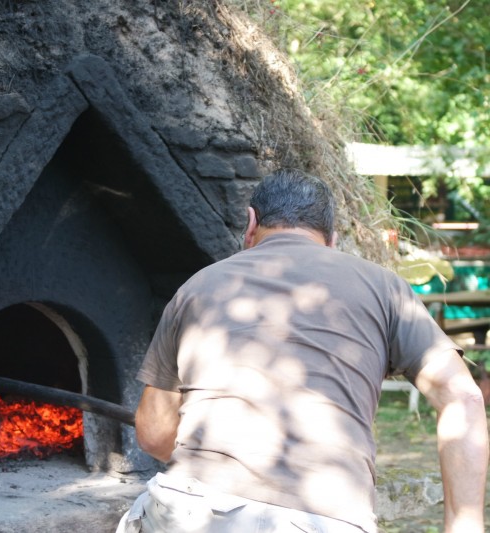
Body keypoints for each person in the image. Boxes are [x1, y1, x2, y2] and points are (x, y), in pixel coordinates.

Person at [117, 169, 488, 533]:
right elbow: (464, 398)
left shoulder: (197, 287)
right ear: (332, 238)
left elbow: (152, 432)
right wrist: (464, 523)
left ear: (250, 224)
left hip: (194, 510)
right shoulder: (385, 289)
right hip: (325, 518)